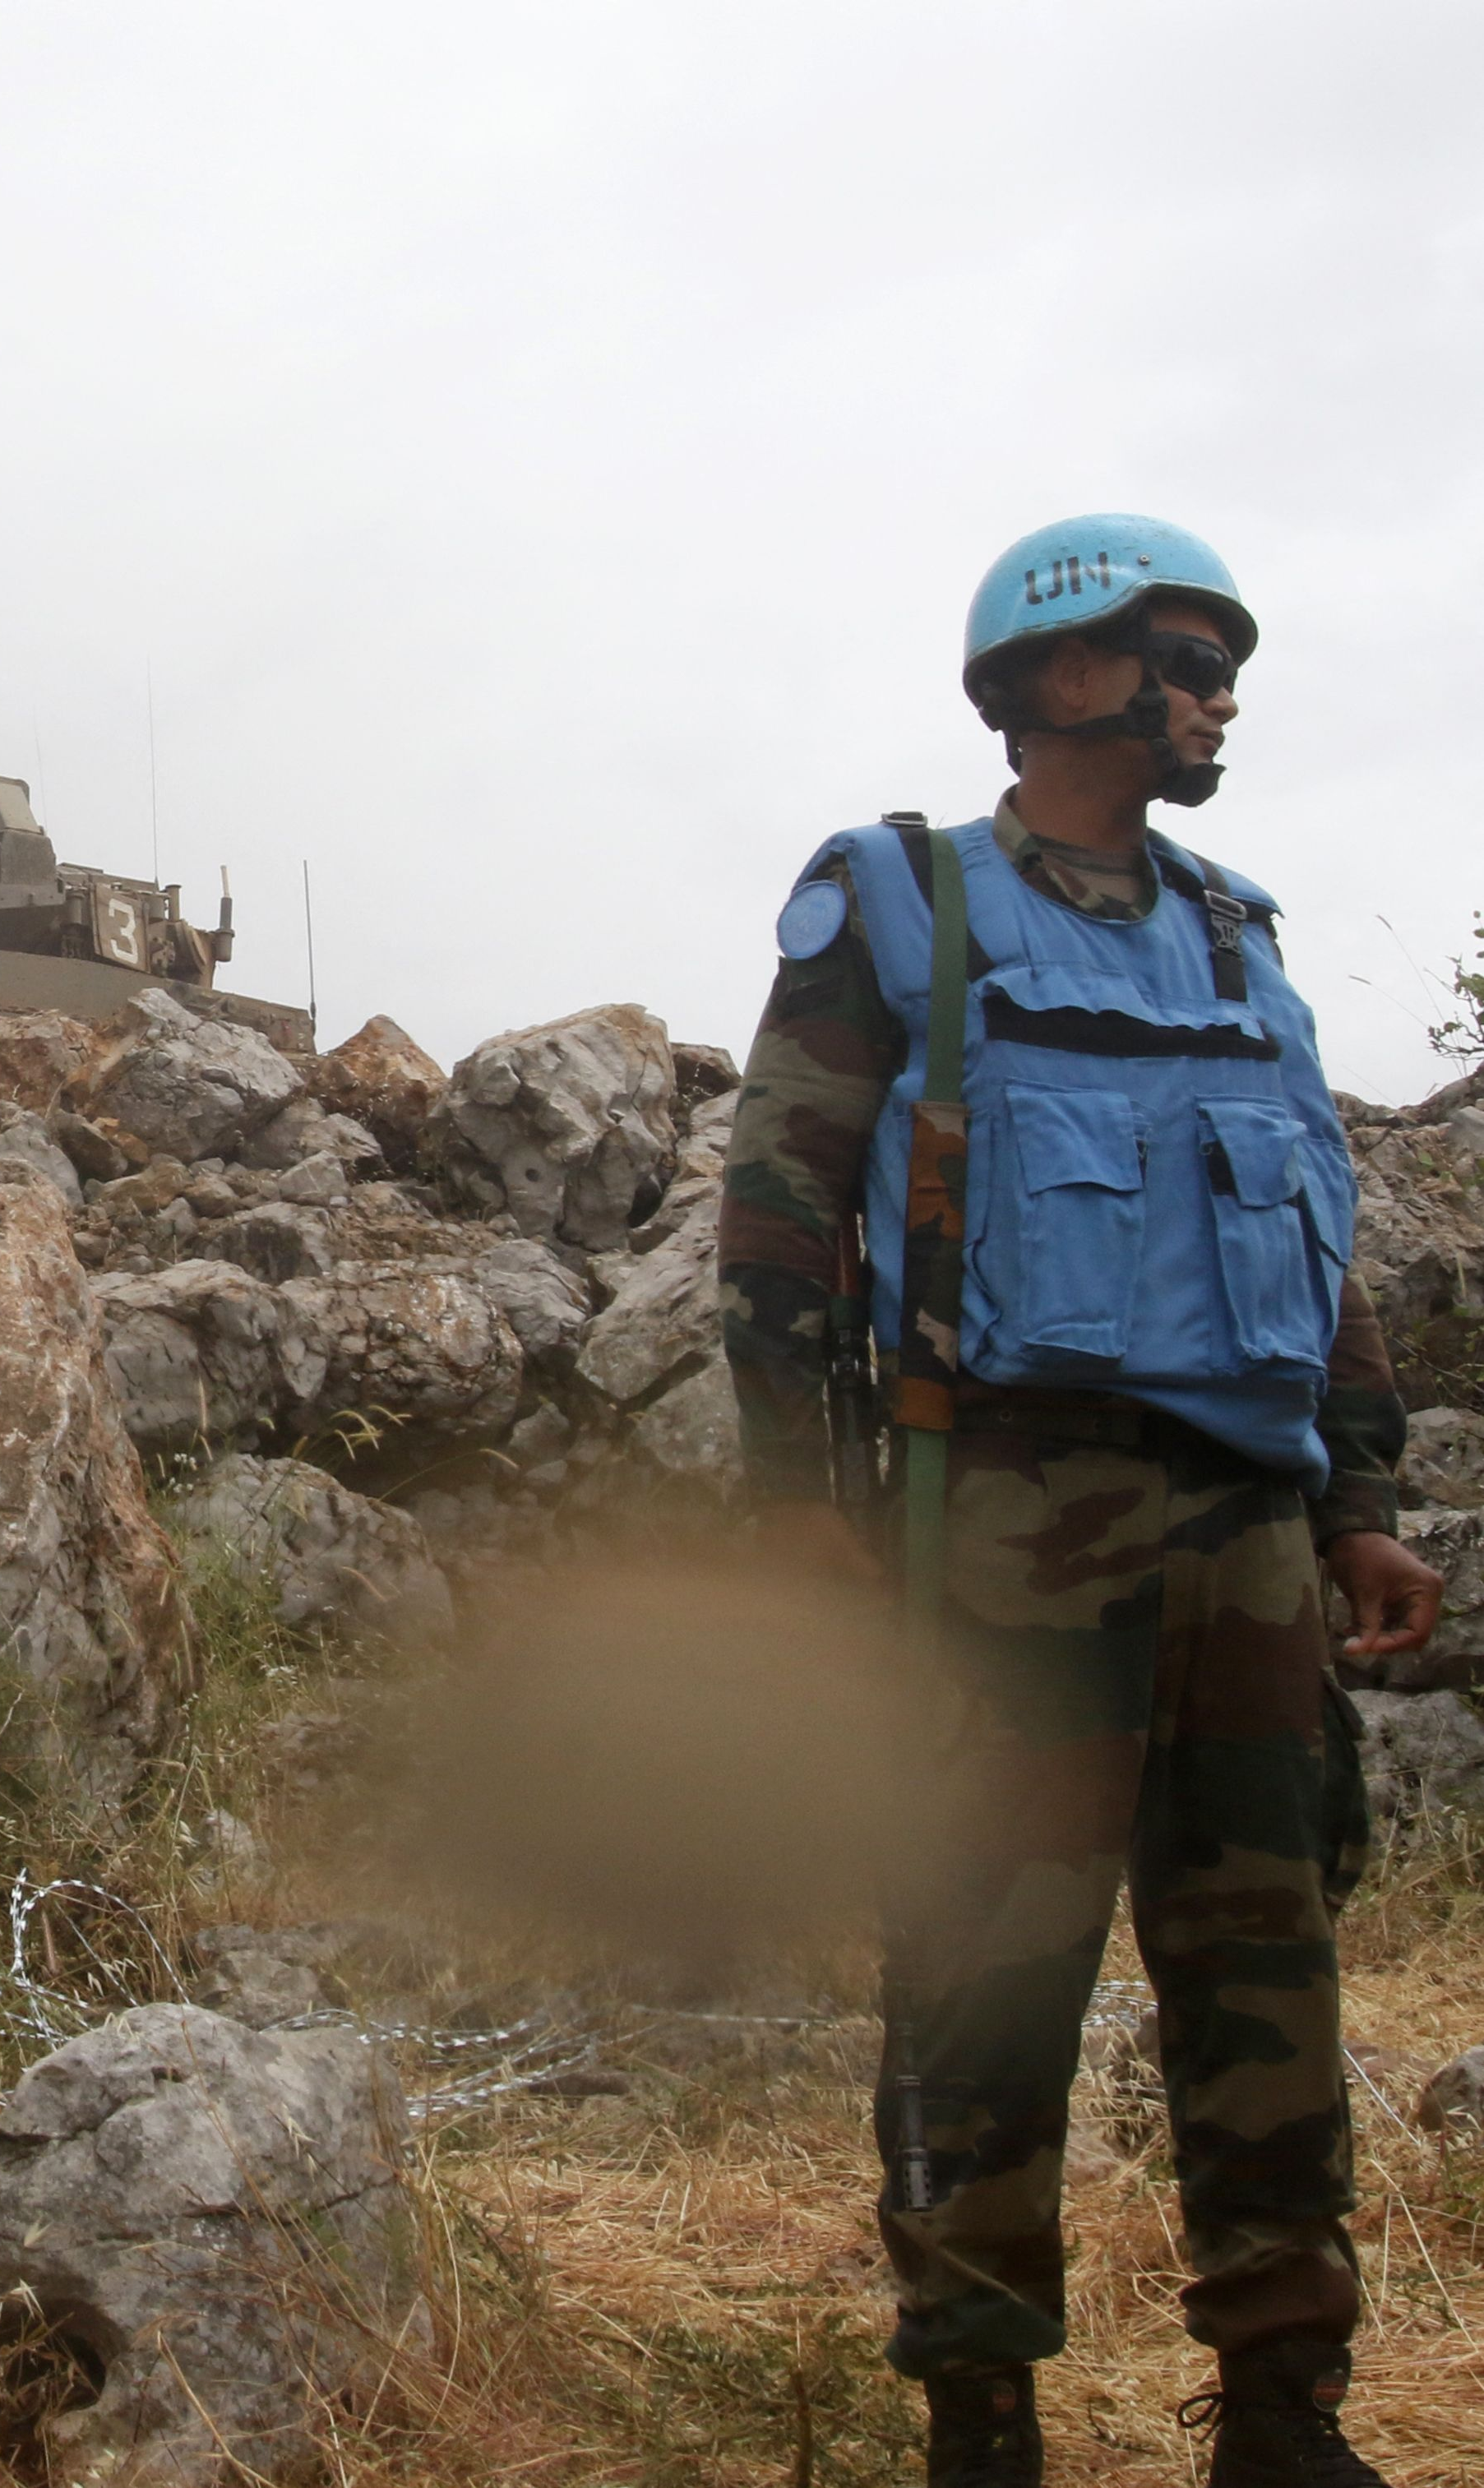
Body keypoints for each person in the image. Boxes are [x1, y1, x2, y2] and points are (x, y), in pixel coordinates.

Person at [719, 515, 1442, 2486]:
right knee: (984, 1965)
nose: (1216, 697)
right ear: (1056, 675)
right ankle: (980, 2416)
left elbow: (1318, 1244)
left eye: (1219, 664)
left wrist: (1361, 1497)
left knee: (1266, 1964)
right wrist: (798, 1507)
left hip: (1248, 1536)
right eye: (1180, 659)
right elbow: (779, 1215)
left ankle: (1285, 2415)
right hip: (1006, 1522)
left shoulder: (1238, 932)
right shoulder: (901, 905)